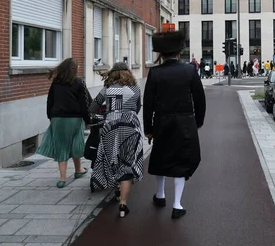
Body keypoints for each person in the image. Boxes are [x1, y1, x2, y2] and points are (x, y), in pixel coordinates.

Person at [143, 31, 206, 220]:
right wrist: (198, 122)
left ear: (161, 54)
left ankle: (160, 195)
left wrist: (149, 129)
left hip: (162, 121)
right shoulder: (189, 70)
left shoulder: (154, 72)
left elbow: (148, 104)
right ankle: (177, 204)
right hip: (185, 122)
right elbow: (199, 99)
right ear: (179, 52)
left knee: (161, 157)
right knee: (182, 160)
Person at [89, 62, 143, 218]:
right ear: (128, 72)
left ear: (113, 73)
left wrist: (101, 114)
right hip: (130, 127)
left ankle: (117, 191)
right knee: (127, 164)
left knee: (112, 159)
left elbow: (94, 106)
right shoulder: (135, 88)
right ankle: (123, 204)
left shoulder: (108, 88)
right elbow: (137, 107)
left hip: (110, 127)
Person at [37, 58, 90, 189]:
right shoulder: (79, 82)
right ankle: (78, 170)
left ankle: (62, 178)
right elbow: (85, 103)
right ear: (74, 69)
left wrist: (51, 117)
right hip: (74, 119)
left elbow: (50, 101)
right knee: (75, 144)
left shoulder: (56, 83)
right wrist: (88, 120)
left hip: (57, 119)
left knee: (61, 146)